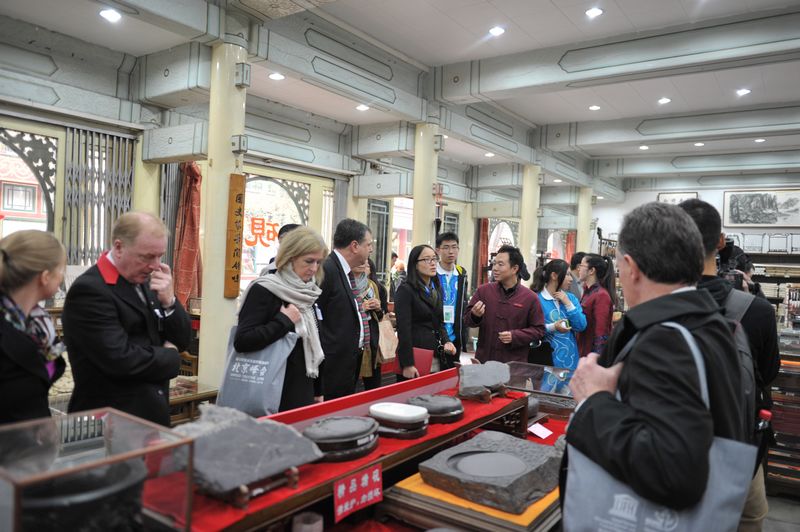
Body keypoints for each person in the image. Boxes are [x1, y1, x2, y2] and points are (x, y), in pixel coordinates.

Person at [566, 202, 746, 510]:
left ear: (631, 267)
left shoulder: (666, 338)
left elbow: (673, 472)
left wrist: (594, 400)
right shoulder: (707, 320)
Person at [679, 198, 780, 530]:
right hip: (740, 450)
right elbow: (768, 373)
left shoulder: (655, 307)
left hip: (673, 451)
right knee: (750, 518)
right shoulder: (758, 310)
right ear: (721, 242)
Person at [63, 212, 191, 426]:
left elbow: (183, 340)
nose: (155, 265)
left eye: (160, 256)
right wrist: (170, 356)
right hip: (110, 420)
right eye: (147, 257)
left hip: (151, 413)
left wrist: (170, 302)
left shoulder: (146, 281)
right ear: (119, 247)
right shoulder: (90, 290)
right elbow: (120, 359)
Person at [235, 227, 327, 411]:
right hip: (271, 389)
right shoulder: (265, 289)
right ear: (289, 257)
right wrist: (283, 321)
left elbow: (313, 344)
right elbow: (243, 340)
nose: (314, 268)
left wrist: (318, 389)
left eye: (318, 262)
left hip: (302, 387)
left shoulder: (308, 293)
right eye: (309, 261)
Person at [0, 230, 67, 424]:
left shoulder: (37, 324)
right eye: (61, 270)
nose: (62, 278)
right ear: (45, 277)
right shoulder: (8, 331)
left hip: (32, 436)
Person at [316, 219, 373, 399]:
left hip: (347, 360)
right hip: (332, 364)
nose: (371, 250)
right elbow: (316, 317)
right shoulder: (328, 269)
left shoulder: (345, 270)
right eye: (368, 245)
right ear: (354, 246)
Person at [465, 245, 545, 363]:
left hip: (514, 364)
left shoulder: (530, 298)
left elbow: (539, 330)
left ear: (515, 268)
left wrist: (515, 336)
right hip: (485, 361)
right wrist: (475, 315)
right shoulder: (484, 291)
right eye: (494, 263)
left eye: (500, 264)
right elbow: (467, 320)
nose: (495, 268)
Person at [395, 245, 456, 379]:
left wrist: (446, 341)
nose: (433, 263)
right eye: (427, 259)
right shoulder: (406, 290)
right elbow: (403, 330)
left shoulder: (436, 288)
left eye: (434, 259)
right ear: (415, 265)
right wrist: (407, 364)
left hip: (435, 353)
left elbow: (439, 322)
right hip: (416, 354)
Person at [531, 259, 587, 386]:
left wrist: (567, 303)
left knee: (568, 396)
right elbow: (531, 330)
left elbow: (581, 325)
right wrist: (553, 327)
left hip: (570, 361)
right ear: (554, 276)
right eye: (567, 275)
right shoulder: (536, 299)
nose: (571, 279)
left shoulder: (570, 298)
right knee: (545, 396)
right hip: (545, 362)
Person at [353, 258, 388, 390]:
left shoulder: (372, 286)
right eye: (360, 261)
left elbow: (380, 317)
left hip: (371, 341)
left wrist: (378, 308)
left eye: (366, 264)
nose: (363, 265)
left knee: (374, 384)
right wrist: (361, 308)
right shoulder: (346, 284)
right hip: (353, 341)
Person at [435, 232, 469, 355]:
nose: (451, 251)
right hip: (436, 335)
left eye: (454, 247)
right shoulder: (432, 273)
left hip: (455, 335)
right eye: (446, 247)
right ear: (438, 250)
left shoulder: (461, 273)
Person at [576, 253, 615, 356]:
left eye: (581, 265)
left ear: (591, 270)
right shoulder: (587, 291)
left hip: (591, 355)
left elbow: (601, 331)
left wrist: (596, 357)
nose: (578, 268)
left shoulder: (601, 295)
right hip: (582, 350)